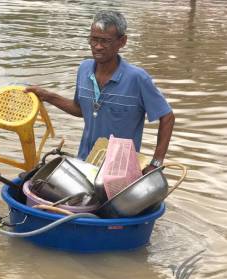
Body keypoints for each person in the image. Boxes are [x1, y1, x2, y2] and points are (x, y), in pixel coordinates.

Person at [25, 10, 175, 173]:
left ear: (122, 42)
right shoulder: (84, 69)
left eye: (105, 41)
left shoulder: (137, 78)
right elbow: (81, 109)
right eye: (94, 39)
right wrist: (47, 96)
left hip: (119, 170)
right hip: (85, 162)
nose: (97, 46)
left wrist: (156, 163)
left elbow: (167, 117)